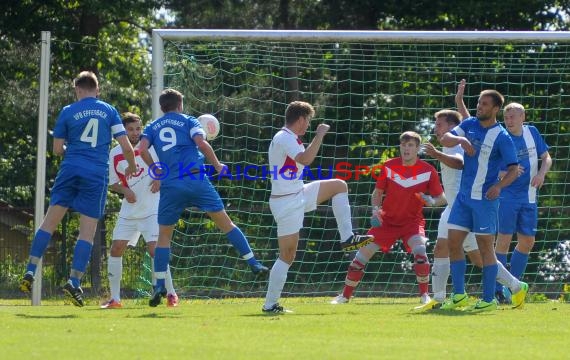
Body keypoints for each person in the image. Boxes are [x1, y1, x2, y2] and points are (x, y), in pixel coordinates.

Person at [139, 88, 268, 307]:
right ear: (180, 105)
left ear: (162, 107)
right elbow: (201, 143)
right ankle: (254, 263)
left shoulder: (152, 126)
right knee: (226, 224)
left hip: (171, 185)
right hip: (196, 180)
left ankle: (159, 284)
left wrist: (155, 169)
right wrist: (217, 165)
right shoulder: (189, 120)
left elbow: (141, 149)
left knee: (163, 238)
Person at [20, 71, 137, 307]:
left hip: (70, 169)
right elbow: (125, 145)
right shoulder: (109, 110)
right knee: (87, 232)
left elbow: (56, 149)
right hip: (95, 174)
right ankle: (74, 282)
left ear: (77, 89)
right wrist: (131, 167)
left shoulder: (68, 111)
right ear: (97, 88)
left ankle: (31, 270)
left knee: (48, 223)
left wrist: (74, 152)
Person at [262, 101, 374, 314]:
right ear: (302, 119)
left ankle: (348, 238)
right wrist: (320, 134)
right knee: (287, 255)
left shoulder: (290, 137)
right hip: (286, 202)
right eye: (309, 121)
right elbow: (306, 159)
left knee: (340, 186)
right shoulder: (284, 137)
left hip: (297, 193)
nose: (309, 125)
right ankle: (270, 305)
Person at [330, 131, 447, 306]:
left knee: (420, 253)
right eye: (403, 145)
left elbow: (442, 199)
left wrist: (431, 201)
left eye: (410, 145)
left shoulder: (428, 170)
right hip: (386, 222)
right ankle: (345, 296)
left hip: (411, 223)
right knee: (359, 258)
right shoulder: (389, 166)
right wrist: (376, 210)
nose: (406, 149)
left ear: (417, 149)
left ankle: (424, 296)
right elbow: (377, 193)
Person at [439, 88, 529, 312]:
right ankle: (459, 295)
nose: (480, 106)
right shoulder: (469, 125)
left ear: (496, 109)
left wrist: (499, 187)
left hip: (485, 201)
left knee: (485, 250)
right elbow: (446, 138)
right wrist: (461, 139)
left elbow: (513, 169)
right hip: (464, 198)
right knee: (453, 243)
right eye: (479, 102)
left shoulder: (502, 136)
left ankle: (489, 299)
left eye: (485, 104)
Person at [101, 112, 178, 309]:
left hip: (152, 208)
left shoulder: (150, 147)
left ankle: (171, 294)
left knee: (155, 250)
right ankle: (115, 299)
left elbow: (166, 168)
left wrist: (160, 179)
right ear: (122, 131)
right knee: (116, 248)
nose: (135, 133)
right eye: (130, 129)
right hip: (129, 211)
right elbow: (112, 183)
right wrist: (124, 189)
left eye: (138, 129)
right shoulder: (114, 153)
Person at [414, 108, 483, 311]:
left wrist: (435, 154)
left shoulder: (454, 143)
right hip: (452, 208)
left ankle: (513, 287)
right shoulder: (450, 144)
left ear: (452, 127)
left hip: (463, 208)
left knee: (479, 257)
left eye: (439, 125)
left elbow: (460, 164)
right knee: (440, 248)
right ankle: (439, 299)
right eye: (436, 125)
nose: (436, 129)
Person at [494, 102, 552, 302]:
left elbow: (546, 158)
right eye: (506, 117)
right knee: (503, 240)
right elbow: (489, 168)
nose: (509, 120)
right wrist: (506, 173)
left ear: (522, 117)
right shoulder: (500, 137)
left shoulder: (532, 132)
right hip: (506, 196)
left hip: (529, 196)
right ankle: (498, 290)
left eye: (513, 116)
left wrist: (542, 174)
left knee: (528, 241)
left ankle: (514, 286)